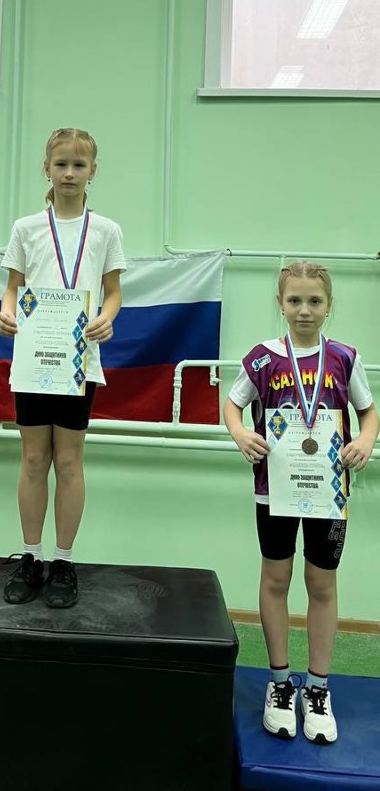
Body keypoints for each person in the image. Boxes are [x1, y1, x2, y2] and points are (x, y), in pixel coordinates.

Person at [224, 261, 379, 745]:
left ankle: (318, 688)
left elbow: (368, 412)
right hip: (274, 489)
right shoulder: (263, 359)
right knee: (275, 578)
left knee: (321, 583)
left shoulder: (345, 358)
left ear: (328, 306)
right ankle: (279, 683)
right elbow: (232, 403)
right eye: (295, 300)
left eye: (314, 301)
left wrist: (365, 441)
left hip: (328, 491)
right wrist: (240, 433)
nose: (304, 310)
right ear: (280, 304)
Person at [0, 128, 125, 609]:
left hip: (78, 360)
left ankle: (64, 561)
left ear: (93, 172)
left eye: (79, 165)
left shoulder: (106, 230)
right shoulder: (26, 228)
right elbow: (13, 287)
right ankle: (31, 557)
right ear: (46, 169)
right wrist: (5, 313)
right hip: (33, 359)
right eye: (61, 164)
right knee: (33, 460)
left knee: (68, 462)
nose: (69, 173)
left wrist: (106, 318)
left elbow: (113, 293)